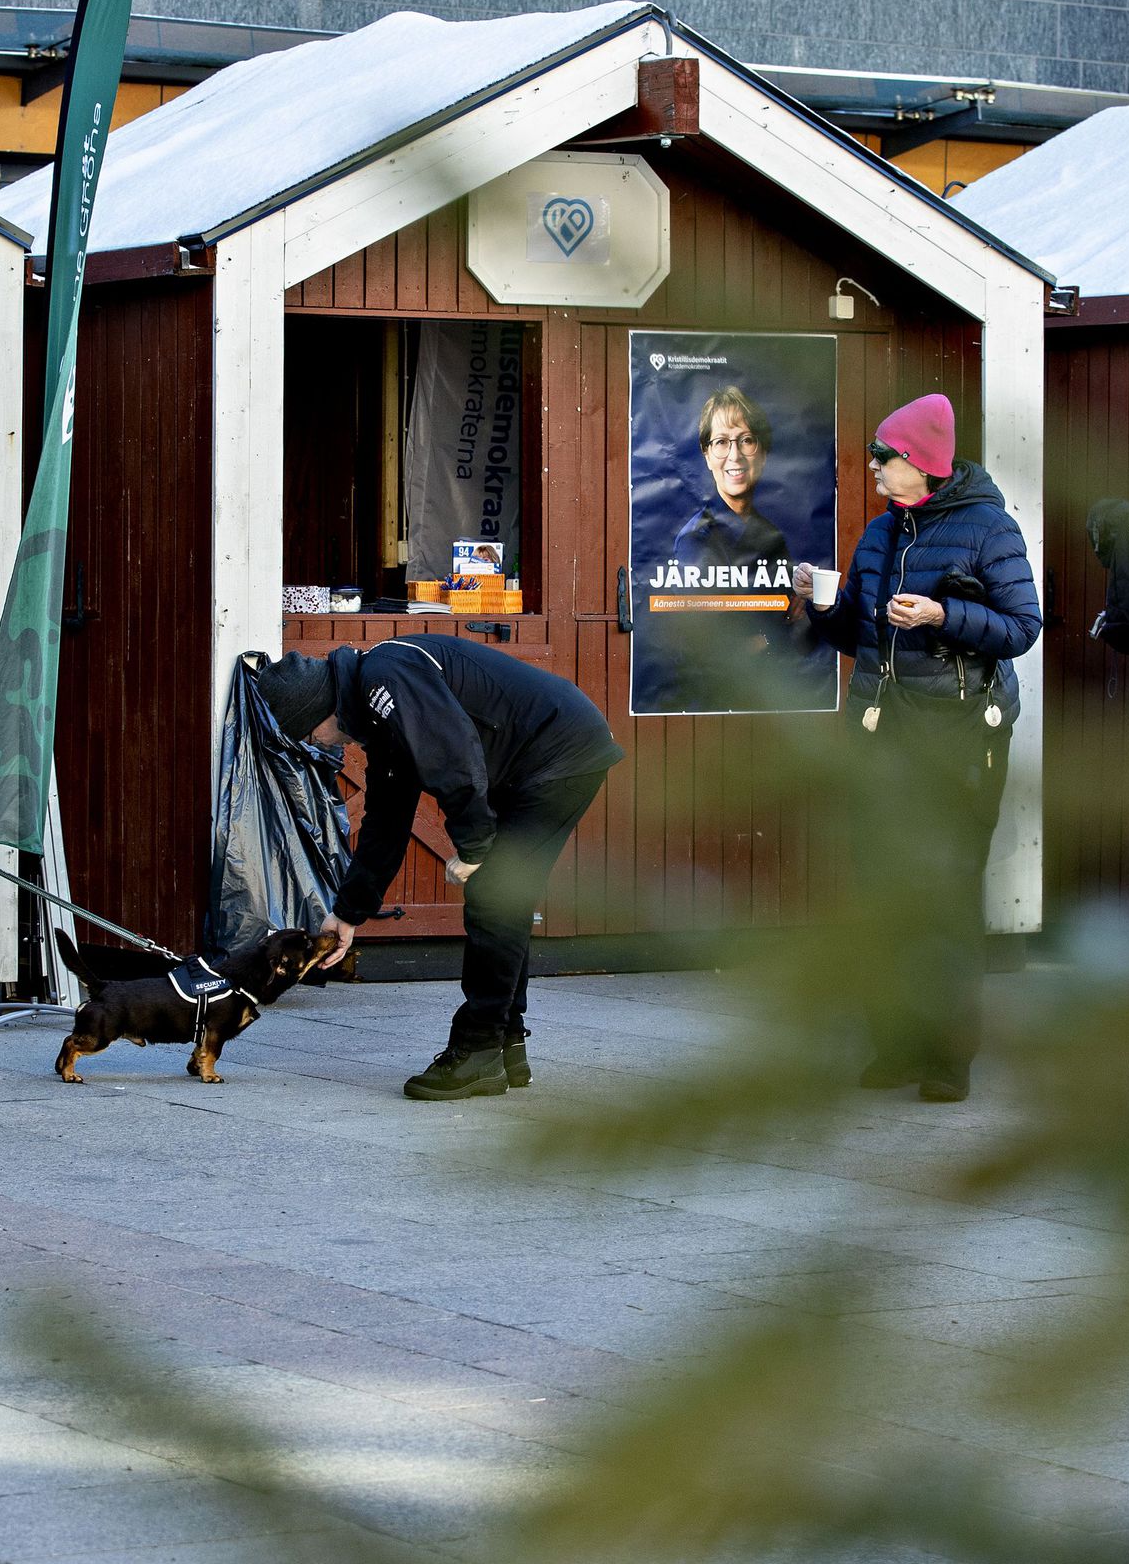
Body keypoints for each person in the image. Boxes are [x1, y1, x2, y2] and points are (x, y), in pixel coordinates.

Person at [796, 393, 1040, 1102]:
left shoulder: (989, 529)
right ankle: (895, 1046)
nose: (873, 466)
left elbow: (1022, 626)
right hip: (883, 736)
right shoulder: (880, 533)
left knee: (946, 895)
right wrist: (821, 606)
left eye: (885, 456)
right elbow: (858, 638)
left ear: (923, 464)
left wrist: (943, 613)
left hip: (962, 739)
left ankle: (948, 1059)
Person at [256, 635, 624, 1101]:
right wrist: (347, 913)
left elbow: (453, 756)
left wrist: (473, 847)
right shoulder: (377, 708)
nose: (317, 744)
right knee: (502, 897)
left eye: (308, 734)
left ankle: (478, 1051)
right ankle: (504, 1043)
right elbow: (387, 819)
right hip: (529, 760)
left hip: (560, 752)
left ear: (322, 711)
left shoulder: (386, 677)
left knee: (493, 895)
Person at [654, 386, 803, 712]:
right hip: (715, 707)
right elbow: (711, 646)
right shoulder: (696, 539)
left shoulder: (773, 536)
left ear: (762, 452)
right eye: (721, 442)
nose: (734, 455)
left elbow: (797, 618)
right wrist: (770, 639)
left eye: (746, 440)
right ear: (707, 455)